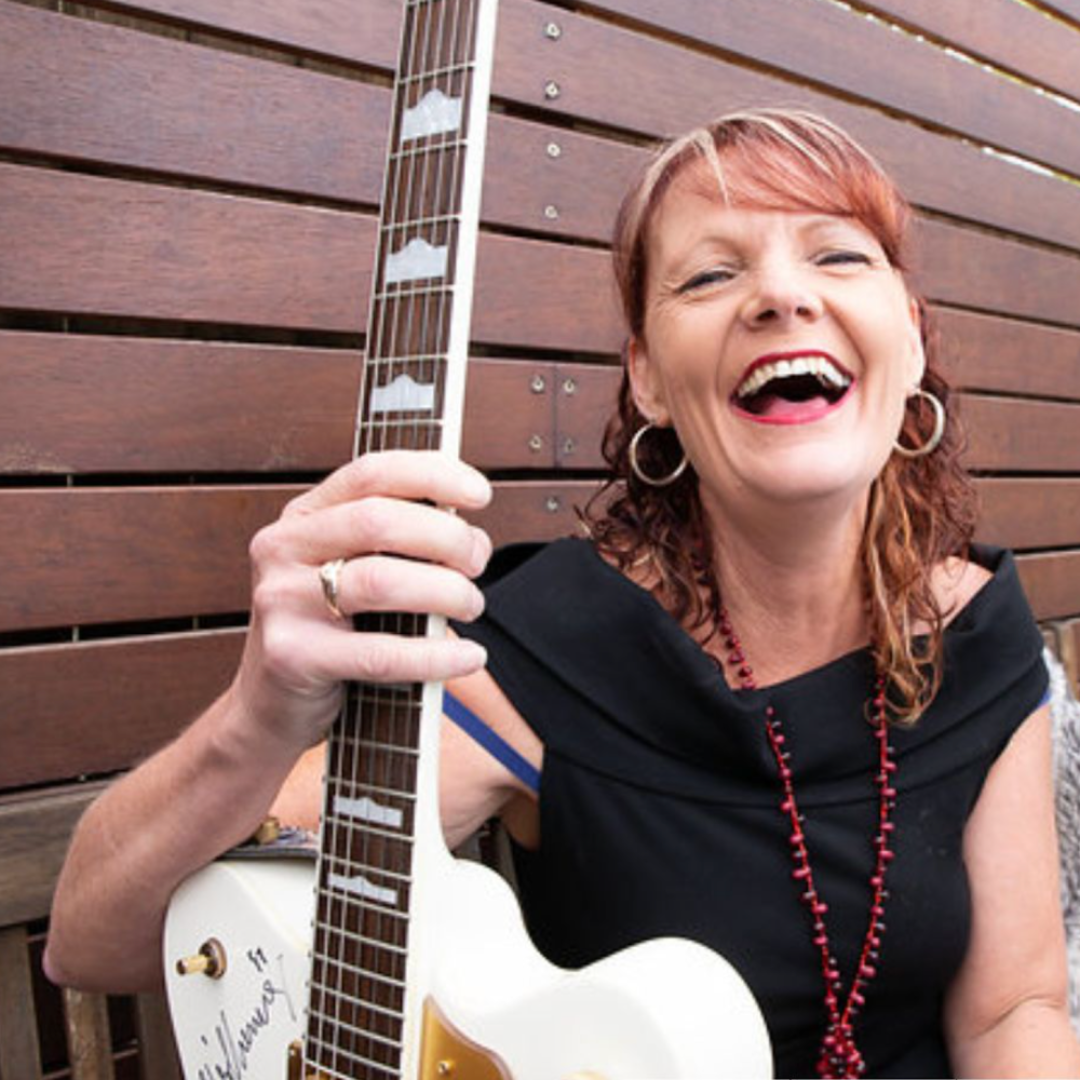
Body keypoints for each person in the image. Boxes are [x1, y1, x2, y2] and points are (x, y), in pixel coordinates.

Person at [45, 108, 1080, 1078]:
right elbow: (97, 942)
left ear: (907, 337)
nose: (780, 295)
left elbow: (1012, 1012)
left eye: (837, 254)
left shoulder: (983, 641)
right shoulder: (547, 657)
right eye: (711, 274)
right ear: (648, 382)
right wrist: (259, 713)